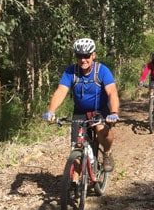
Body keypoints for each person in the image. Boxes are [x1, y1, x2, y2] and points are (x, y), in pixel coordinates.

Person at [42, 38, 119, 172]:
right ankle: (75, 183)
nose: (83, 60)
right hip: (80, 112)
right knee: (76, 146)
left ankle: (107, 152)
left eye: (87, 56)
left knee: (102, 131)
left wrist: (113, 113)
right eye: (79, 56)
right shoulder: (71, 72)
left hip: (100, 110)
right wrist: (51, 111)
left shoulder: (102, 71)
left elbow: (112, 92)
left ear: (93, 55)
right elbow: (61, 91)